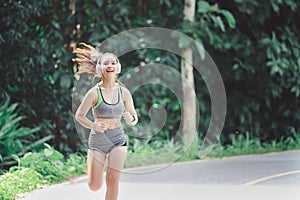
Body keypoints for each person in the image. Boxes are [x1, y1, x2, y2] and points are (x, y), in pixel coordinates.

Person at [72, 43, 138, 200]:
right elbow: (79, 115)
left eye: (113, 62)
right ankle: (93, 173)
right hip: (98, 140)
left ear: (118, 67)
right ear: (100, 68)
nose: (110, 65)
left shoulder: (124, 93)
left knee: (113, 180)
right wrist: (93, 125)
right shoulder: (94, 92)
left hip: (118, 139)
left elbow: (134, 117)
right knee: (94, 185)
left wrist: (131, 118)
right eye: (106, 63)